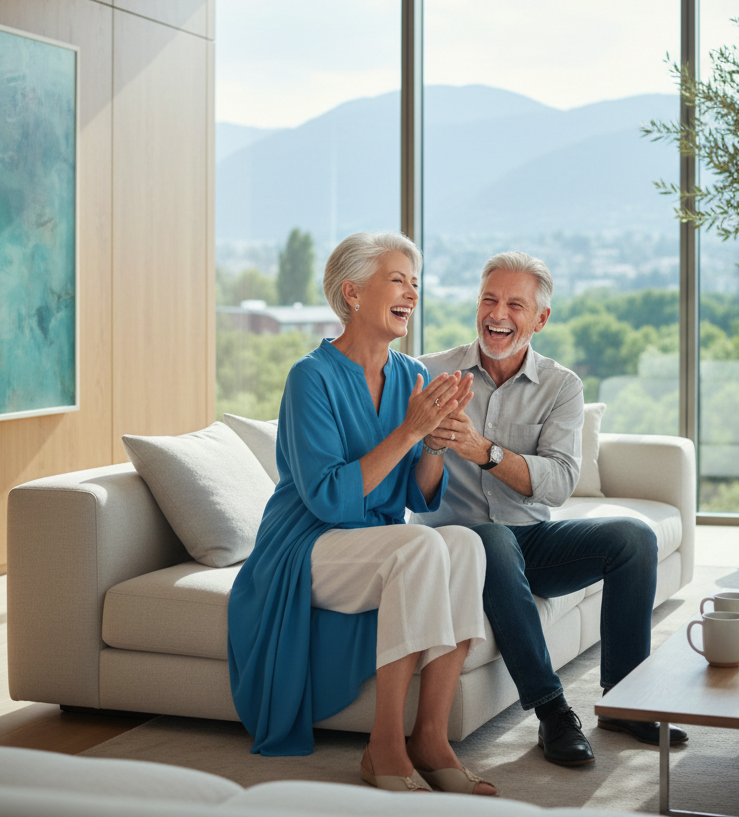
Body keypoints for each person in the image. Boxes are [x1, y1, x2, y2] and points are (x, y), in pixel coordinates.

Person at [227, 231, 497, 795]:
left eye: (415, 282)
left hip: (373, 542)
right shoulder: (311, 378)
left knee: (465, 544)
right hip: (305, 545)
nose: (411, 293)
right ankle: (384, 745)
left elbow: (419, 496)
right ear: (352, 293)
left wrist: (435, 445)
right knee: (421, 545)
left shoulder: (410, 377)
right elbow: (326, 497)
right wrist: (410, 430)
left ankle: (430, 736)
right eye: (397, 279)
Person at [414, 251, 688, 766]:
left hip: (531, 539)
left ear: (540, 319)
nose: (498, 314)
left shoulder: (562, 387)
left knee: (634, 537)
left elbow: (560, 484)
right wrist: (432, 444)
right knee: (488, 539)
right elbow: (412, 487)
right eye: (489, 299)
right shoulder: (430, 374)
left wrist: (485, 452)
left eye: (515, 304)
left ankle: (625, 701)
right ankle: (552, 710)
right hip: (455, 545)